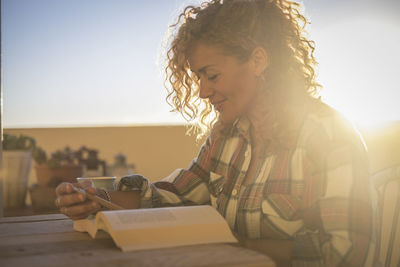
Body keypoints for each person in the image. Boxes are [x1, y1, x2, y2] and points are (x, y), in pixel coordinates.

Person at [55, 0, 378, 265]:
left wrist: (237, 243)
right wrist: (95, 199)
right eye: (198, 78)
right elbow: (174, 197)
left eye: (211, 75)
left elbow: (345, 254)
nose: (202, 91)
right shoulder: (226, 136)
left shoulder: (329, 136)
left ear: (258, 61)